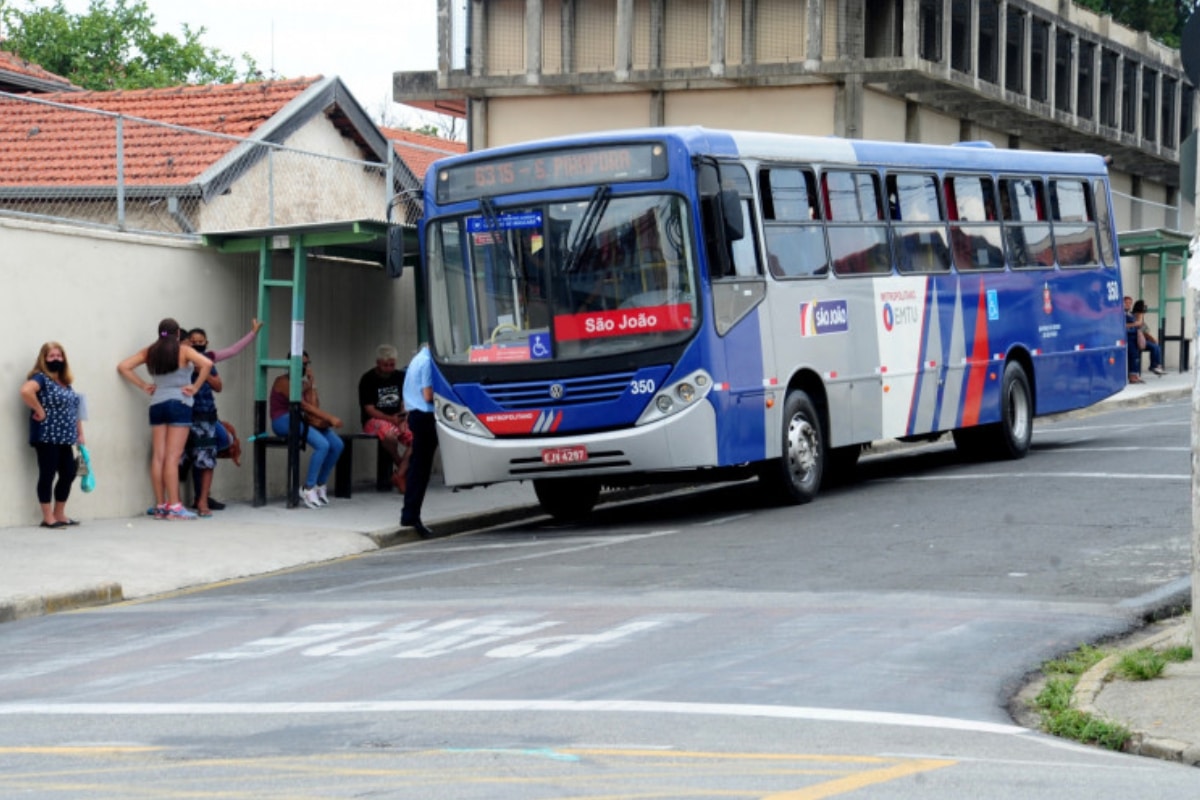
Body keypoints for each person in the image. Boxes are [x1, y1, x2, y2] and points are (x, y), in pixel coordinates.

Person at [117, 318, 212, 520]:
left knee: (158, 457)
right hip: (180, 403)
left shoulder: (150, 351)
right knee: (172, 457)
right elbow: (207, 363)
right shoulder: (184, 350)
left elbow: (123, 366)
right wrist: (194, 388)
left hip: (157, 405)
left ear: (159, 332)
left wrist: (143, 385)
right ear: (178, 333)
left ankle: (161, 505)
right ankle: (175, 506)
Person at [185, 320, 263, 513]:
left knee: (224, 440)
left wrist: (252, 333)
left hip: (210, 414)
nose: (197, 345)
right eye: (193, 342)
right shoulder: (183, 360)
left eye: (201, 341)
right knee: (203, 454)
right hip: (193, 416)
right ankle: (201, 499)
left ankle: (201, 494)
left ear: (207, 342)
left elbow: (232, 352)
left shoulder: (209, 359)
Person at [20, 342, 86, 528]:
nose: (56, 359)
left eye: (59, 356)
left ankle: (60, 514)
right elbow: (26, 391)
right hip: (47, 436)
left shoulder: (66, 383)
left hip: (66, 437)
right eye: (52, 356)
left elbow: (75, 410)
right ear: (44, 359)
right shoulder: (40, 378)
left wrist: (80, 433)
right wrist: (40, 411)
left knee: (68, 473)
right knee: (47, 474)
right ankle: (48, 518)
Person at [269, 351, 343, 508]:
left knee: (337, 445)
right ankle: (308, 488)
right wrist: (330, 418)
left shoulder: (303, 383)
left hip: (301, 420)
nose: (303, 366)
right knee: (322, 445)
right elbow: (304, 406)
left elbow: (314, 406)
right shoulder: (282, 381)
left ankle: (319, 484)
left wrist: (312, 383)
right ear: (289, 364)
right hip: (283, 420)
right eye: (300, 363)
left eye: (306, 363)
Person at [358, 344, 412, 492]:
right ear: (378, 363)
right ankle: (400, 464)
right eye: (385, 365)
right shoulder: (368, 379)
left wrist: (402, 419)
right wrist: (391, 419)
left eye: (392, 365)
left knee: (417, 438)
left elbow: (404, 402)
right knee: (389, 433)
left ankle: (399, 474)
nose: (389, 368)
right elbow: (369, 409)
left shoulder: (400, 376)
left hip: (397, 418)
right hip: (373, 420)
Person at [400, 343, 439, 539]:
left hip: (416, 415)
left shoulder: (417, 359)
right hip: (425, 417)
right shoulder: (427, 362)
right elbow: (428, 394)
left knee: (418, 466)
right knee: (421, 470)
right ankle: (411, 514)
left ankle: (410, 513)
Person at [1131, 300, 1165, 376]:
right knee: (1155, 347)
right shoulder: (1138, 315)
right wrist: (1152, 338)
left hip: (1140, 339)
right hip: (1137, 340)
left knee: (1156, 347)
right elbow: (1143, 330)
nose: (1146, 308)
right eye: (1144, 306)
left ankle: (1157, 365)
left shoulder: (1139, 315)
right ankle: (1154, 366)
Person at [1124, 296, 1144, 384]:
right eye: (1126, 302)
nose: (1128, 304)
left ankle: (1135, 374)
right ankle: (1132, 376)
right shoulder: (1121, 314)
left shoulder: (1131, 314)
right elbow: (1125, 325)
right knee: (1132, 357)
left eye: (1130, 303)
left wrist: (1137, 324)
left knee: (1135, 357)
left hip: (1135, 337)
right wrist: (1134, 324)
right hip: (1128, 336)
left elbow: (1139, 324)